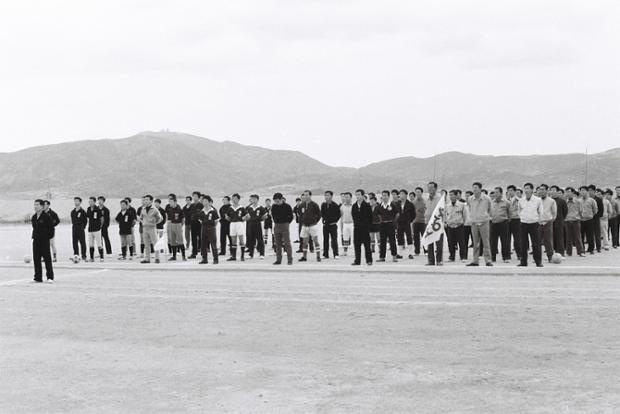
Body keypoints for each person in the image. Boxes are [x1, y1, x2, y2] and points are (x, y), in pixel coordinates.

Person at [517, 183, 544, 267]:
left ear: (532, 190)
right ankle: (523, 262)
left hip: (534, 224)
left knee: (536, 244)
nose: (526, 190)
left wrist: (538, 220)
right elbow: (519, 211)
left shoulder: (537, 200)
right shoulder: (521, 200)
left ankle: (538, 262)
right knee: (523, 244)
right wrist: (522, 217)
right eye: (525, 188)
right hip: (523, 224)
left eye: (528, 188)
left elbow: (541, 211)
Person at [467, 182, 492, 266]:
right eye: (473, 187)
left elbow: (490, 209)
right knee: (475, 243)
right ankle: (475, 260)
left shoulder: (486, 198)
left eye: (476, 188)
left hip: (484, 222)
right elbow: (470, 208)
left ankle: (488, 260)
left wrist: (485, 216)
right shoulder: (470, 199)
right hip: (474, 223)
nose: (474, 189)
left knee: (486, 242)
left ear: (480, 189)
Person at [31, 199, 54, 283]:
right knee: (36, 259)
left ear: (42, 206)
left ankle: (50, 277)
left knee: (47, 259)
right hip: (36, 241)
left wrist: (47, 237)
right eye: (34, 205)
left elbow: (51, 229)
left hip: (44, 241)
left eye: (37, 205)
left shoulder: (46, 216)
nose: (35, 206)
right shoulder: (34, 217)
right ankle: (38, 277)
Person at [224, 193, 249, 261]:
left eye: (235, 198)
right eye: (233, 199)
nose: (234, 200)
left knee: (241, 240)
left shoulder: (241, 207)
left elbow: (248, 216)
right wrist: (230, 220)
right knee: (233, 240)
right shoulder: (230, 208)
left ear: (238, 199)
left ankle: (242, 256)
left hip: (239, 224)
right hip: (232, 224)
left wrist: (242, 219)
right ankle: (234, 256)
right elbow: (227, 217)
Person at [298, 190, 322, 262]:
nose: (306, 196)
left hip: (313, 226)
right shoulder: (302, 205)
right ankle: (304, 257)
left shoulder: (314, 205)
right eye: (304, 195)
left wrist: (314, 221)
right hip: (305, 226)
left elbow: (319, 215)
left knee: (315, 241)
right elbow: (300, 214)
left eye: (307, 195)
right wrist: (304, 220)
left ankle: (318, 256)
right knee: (305, 242)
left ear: (310, 196)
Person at [271, 192, 294, 265]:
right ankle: (278, 260)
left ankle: (289, 259)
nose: (276, 202)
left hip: (285, 225)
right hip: (277, 225)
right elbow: (273, 216)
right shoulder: (273, 207)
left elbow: (291, 216)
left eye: (277, 201)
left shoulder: (287, 206)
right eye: (275, 201)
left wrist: (287, 222)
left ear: (281, 199)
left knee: (287, 243)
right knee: (277, 244)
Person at [351, 189, 373, 266]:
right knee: (357, 245)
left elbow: (370, 218)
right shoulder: (354, 206)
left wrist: (368, 228)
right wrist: (356, 225)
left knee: (367, 245)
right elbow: (353, 217)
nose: (357, 196)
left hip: (365, 229)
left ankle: (369, 260)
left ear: (363, 196)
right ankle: (357, 261)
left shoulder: (367, 206)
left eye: (359, 194)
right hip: (356, 229)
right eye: (356, 195)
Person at [139, 195, 163, 264]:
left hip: (152, 228)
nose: (145, 201)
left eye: (147, 200)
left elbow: (160, 218)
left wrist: (155, 223)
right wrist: (143, 222)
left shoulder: (155, 209)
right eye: (145, 200)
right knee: (146, 244)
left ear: (151, 201)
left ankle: (157, 258)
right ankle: (147, 259)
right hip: (145, 228)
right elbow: (141, 217)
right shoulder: (143, 209)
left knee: (155, 243)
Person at [425, 182, 444, 266]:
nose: (429, 189)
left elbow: (443, 210)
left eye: (431, 188)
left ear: (435, 188)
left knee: (439, 243)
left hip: (438, 224)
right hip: (428, 224)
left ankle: (439, 260)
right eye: (428, 188)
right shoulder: (427, 199)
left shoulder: (440, 199)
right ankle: (431, 261)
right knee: (429, 243)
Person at [489, 187, 511, 263]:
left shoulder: (506, 202)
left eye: (497, 192)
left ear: (501, 193)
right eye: (494, 192)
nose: (495, 194)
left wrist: (507, 220)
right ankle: (492, 257)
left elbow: (509, 213)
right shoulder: (491, 202)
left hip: (503, 223)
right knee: (492, 241)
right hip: (493, 223)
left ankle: (506, 257)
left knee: (505, 241)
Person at [445, 189, 467, 262]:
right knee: (451, 242)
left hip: (459, 226)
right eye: (449, 195)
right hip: (450, 226)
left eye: (452, 195)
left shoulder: (461, 205)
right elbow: (446, 215)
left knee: (461, 242)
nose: (450, 197)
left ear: (456, 195)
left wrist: (461, 222)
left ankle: (463, 257)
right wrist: (446, 222)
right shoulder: (447, 205)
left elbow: (465, 215)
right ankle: (452, 257)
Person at [377, 190, 399, 262]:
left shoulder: (392, 205)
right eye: (383, 195)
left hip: (390, 224)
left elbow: (397, 214)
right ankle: (382, 257)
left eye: (385, 195)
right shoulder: (380, 205)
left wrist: (393, 221)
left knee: (392, 240)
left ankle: (394, 256)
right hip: (382, 225)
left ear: (388, 196)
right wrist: (381, 221)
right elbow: (377, 214)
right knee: (382, 241)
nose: (384, 197)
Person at [537, 184, 557, 262]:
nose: (541, 191)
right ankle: (537, 258)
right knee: (537, 241)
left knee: (548, 241)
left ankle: (550, 257)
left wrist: (550, 221)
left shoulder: (551, 201)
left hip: (547, 223)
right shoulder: (536, 200)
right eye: (540, 189)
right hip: (538, 223)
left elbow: (554, 213)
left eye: (543, 189)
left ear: (547, 191)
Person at [197, 195, 219, 264]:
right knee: (203, 244)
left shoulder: (213, 211)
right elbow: (200, 220)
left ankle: (215, 259)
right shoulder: (202, 211)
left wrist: (212, 226)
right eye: (203, 201)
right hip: (204, 228)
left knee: (213, 244)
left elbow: (216, 221)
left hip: (212, 228)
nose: (205, 203)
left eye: (206, 201)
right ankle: (204, 259)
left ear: (210, 202)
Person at [246, 194, 268, 259]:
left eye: (254, 199)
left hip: (257, 225)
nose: (253, 200)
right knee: (251, 240)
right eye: (252, 199)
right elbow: (245, 216)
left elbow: (265, 216)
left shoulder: (260, 208)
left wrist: (260, 219)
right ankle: (251, 254)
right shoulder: (249, 208)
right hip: (250, 225)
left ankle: (262, 254)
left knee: (260, 239)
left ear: (257, 199)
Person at [564, 187, 585, 257]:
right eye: (566, 192)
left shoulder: (578, 201)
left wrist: (579, 218)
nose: (567, 193)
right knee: (568, 238)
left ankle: (580, 252)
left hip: (576, 221)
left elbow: (581, 211)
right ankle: (568, 252)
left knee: (578, 237)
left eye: (569, 191)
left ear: (573, 193)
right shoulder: (565, 202)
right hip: (567, 221)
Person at [165, 194, 186, 261]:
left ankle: (183, 256)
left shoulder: (179, 209)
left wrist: (180, 226)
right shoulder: (170, 209)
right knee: (172, 241)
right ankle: (174, 256)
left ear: (175, 202)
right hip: (171, 225)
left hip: (178, 225)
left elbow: (183, 219)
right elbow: (169, 218)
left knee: (180, 241)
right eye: (169, 202)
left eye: (171, 202)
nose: (170, 203)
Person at [396, 189, 415, 259]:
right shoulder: (397, 204)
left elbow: (413, 214)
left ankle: (410, 253)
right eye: (400, 194)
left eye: (402, 194)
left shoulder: (410, 204)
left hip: (407, 223)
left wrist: (409, 220)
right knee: (400, 238)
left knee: (409, 237)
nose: (401, 195)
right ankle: (400, 253)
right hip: (400, 223)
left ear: (406, 195)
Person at [321, 190, 341, 259]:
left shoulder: (335, 205)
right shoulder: (323, 204)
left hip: (333, 225)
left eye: (328, 195)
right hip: (325, 226)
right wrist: (323, 221)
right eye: (325, 195)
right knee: (325, 240)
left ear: (331, 196)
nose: (326, 197)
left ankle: (336, 254)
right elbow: (322, 214)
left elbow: (338, 215)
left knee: (334, 240)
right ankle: (325, 254)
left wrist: (335, 221)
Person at [579, 186, 598, 254]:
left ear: (587, 191)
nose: (582, 192)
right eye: (581, 191)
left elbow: (595, 210)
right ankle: (582, 249)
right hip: (581, 220)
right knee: (581, 235)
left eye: (584, 190)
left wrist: (590, 215)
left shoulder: (592, 200)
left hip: (589, 220)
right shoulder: (579, 201)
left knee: (590, 235)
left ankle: (591, 249)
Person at [550, 185, 568, 257]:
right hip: (550, 222)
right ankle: (552, 253)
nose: (552, 192)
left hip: (559, 222)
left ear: (557, 192)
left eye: (554, 190)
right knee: (551, 238)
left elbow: (565, 212)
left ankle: (561, 253)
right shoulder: (549, 200)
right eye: (551, 190)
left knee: (559, 238)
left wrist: (561, 219)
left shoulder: (562, 201)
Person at [86, 197, 105, 262]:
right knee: (91, 244)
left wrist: (100, 226)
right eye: (89, 201)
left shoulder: (98, 209)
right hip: (90, 229)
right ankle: (91, 258)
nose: (90, 203)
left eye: (91, 201)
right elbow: (88, 218)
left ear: (94, 202)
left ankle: (102, 257)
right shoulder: (88, 209)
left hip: (97, 229)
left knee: (99, 244)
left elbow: (102, 219)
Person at [506, 185, 522, 260]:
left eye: (511, 191)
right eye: (508, 191)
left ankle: (519, 254)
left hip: (516, 220)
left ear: (515, 191)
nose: (510, 192)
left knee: (517, 238)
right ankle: (507, 255)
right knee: (507, 238)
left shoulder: (519, 200)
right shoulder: (506, 200)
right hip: (507, 220)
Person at [188, 191, 203, 259]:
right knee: (193, 239)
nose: (194, 197)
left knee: (201, 238)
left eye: (196, 196)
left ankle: (203, 252)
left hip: (199, 223)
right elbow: (189, 214)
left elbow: (202, 214)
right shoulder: (191, 205)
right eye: (193, 196)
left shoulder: (201, 205)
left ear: (199, 198)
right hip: (193, 223)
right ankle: (194, 253)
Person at [412, 187, 426, 255]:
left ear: (421, 193)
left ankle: (426, 250)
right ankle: (417, 251)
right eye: (416, 192)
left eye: (419, 192)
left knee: (424, 236)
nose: (417, 193)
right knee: (416, 238)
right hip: (415, 221)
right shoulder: (413, 202)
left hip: (423, 221)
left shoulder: (425, 201)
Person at [589, 185, 604, 253]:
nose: (590, 192)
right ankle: (590, 248)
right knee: (590, 234)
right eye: (588, 190)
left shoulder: (598, 199)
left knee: (597, 233)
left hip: (595, 219)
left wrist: (596, 215)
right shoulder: (587, 199)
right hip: (588, 219)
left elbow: (601, 211)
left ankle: (598, 247)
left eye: (591, 190)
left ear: (594, 191)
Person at [339, 192, 354, 257]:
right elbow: (341, 217)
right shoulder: (342, 206)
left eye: (348, 197)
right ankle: (345, 252)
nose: (346, 198)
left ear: (351, 197)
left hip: (352, 224)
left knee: (354, 238)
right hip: (345, 224)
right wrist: (341, 226)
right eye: (345, 197)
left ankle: (355, 252)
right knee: (345, 238)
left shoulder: (354, 206)